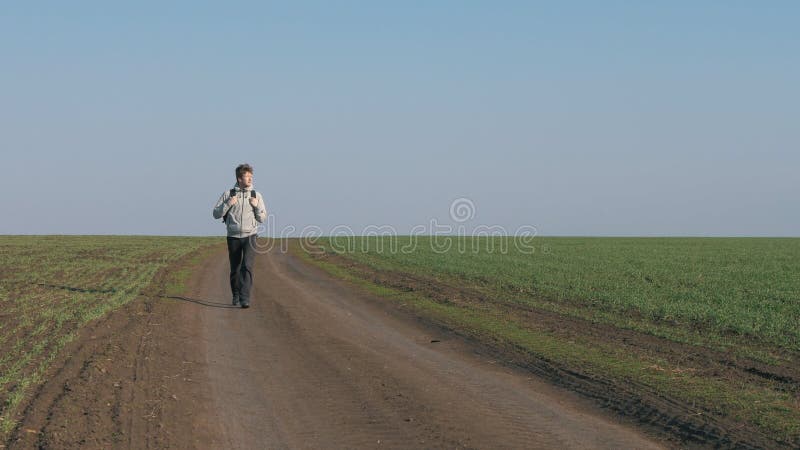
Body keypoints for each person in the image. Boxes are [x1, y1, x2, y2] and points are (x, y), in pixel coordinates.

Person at [212, 163, 267, 308]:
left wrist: (255, 206)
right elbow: (216, 214)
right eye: (247, 176)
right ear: (239, 178)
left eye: (251, 176)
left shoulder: (256, 195)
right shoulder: (228, 194)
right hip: (233, 236)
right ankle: (235, 295)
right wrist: (228, 204)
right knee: (235, 268)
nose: (250, 179)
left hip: (251, 236)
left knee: (247, 266)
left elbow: (262, 218)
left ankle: (245, 298)